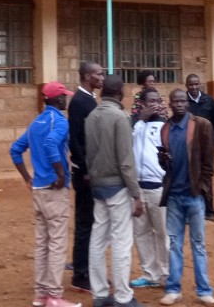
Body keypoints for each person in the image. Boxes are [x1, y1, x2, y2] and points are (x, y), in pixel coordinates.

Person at [9, 82, 81, 307]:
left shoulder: (35, 123)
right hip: (54, 190)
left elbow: (15, 149)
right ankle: (55, 296)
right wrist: (60, 174)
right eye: (63, 96)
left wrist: (27, 179)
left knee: (42, 243)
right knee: (57, 243)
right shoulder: (58, 121)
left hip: (39, 189)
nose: (66, 99)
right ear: (57, 100)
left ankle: (41, 294)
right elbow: (51, 144)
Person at [85, 74, 144, 307]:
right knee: (121, 242)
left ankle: (99, 294)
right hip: (117, 187)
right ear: (120, 92)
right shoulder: (120, 117)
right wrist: (136, 194)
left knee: (98, 240)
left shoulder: (91, 116)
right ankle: (122, 296)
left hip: (97, 186)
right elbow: (126, 162)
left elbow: (89, 153)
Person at [159, 89, 214, 307]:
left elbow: (209, 163)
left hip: (194, 196)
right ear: (171, 104)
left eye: (183, 101)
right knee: (174, 244)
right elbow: (165, 166)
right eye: (176, 101)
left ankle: (204, 290)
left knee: (199, 244)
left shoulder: (201, 125)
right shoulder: (165, 129)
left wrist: (201, 189)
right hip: (174, 196)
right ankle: (173, 289)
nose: (180, 104)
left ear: (187, 103)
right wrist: (162, 160)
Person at [67, 61, 104, 294]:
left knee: (91, 222)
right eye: (99, 74)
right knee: (84, 223)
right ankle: (80, 274)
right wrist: (85, 168)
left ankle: (88, 269)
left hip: (92, 171)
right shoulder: (80, 102)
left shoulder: (89, 99)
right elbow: (75, 139)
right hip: (85, 174)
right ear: (87, 76)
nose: (102, 77)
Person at [130, 88, 169, 291]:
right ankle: (150, 274)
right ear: (143, 103)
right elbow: (126, 143)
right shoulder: (135, 125)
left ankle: (166, 274)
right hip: (137, 188)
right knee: (142, 233)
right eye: (150, 101)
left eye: (157, 100)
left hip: (158, 188)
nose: (154, 104)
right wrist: (139, 119)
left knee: (162, 233)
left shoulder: (164, 127)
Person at [184, 75, 214, 221]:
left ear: (199, 84)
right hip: (189, 146)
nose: (193, 87)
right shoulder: (183, 101)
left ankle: (209, 211)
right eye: (190, 85)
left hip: (207, 147)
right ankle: (190, 211)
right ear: (186, 85)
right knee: (188, 176)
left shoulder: (209, 101)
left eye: (195, 84)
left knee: (206, 176)